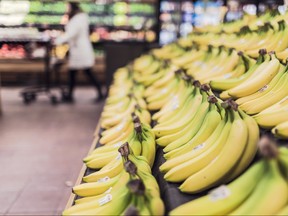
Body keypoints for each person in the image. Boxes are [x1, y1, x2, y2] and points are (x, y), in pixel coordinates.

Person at [54, 1, 103, 102]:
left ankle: (99, 92)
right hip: (77, 49)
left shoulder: (78, 19)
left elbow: (71, 33)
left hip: (80, 50)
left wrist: (58, 40)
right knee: (73, 73)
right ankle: (70, 95)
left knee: (87, 72)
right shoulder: (80, 18)